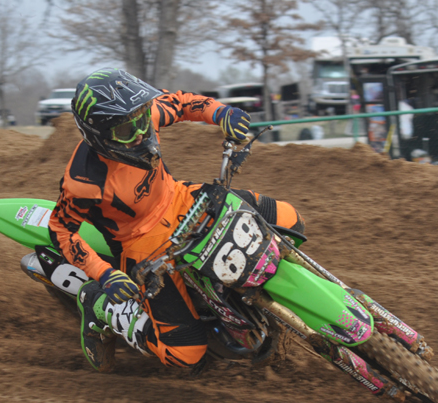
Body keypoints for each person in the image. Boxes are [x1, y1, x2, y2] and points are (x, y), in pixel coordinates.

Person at [49, 68, 305, 373]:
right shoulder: (83, 182)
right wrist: (104, 275)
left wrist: (221, 112)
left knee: (291, 221)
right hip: (143, 246)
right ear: (99, 135)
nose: (141, 133)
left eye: (143, 121)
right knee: (186, 354)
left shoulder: (140, 116)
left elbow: (181, 103)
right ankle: (100, 306)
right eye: (126, 131)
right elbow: (61, 230)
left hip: (184, 200)